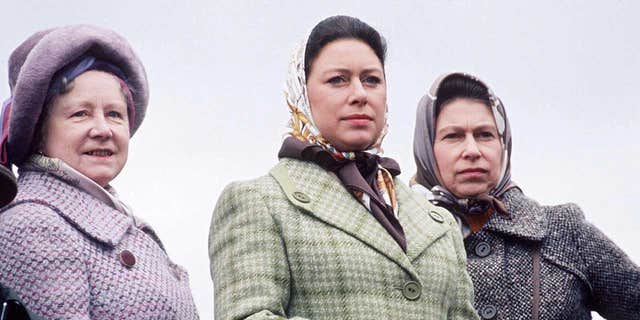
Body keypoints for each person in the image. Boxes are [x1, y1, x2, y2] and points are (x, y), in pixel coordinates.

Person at [209, 16, 479, 320]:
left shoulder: (438, 221)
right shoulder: (260, 202)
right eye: (338, 80)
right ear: (303, 91)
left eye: (371, 80)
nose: (360, 94)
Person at [0, 25, 199, 319]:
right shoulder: (34, 224)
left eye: (114, 115)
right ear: (38, 130)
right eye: (80, 114)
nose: (103, 130)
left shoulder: (127, 227)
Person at [412, 72, 640, 320]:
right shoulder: (405, 239)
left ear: (503, 144)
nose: (472, 150)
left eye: (485, 134)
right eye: (453, 136)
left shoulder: (564, 231)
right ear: (426, 148)